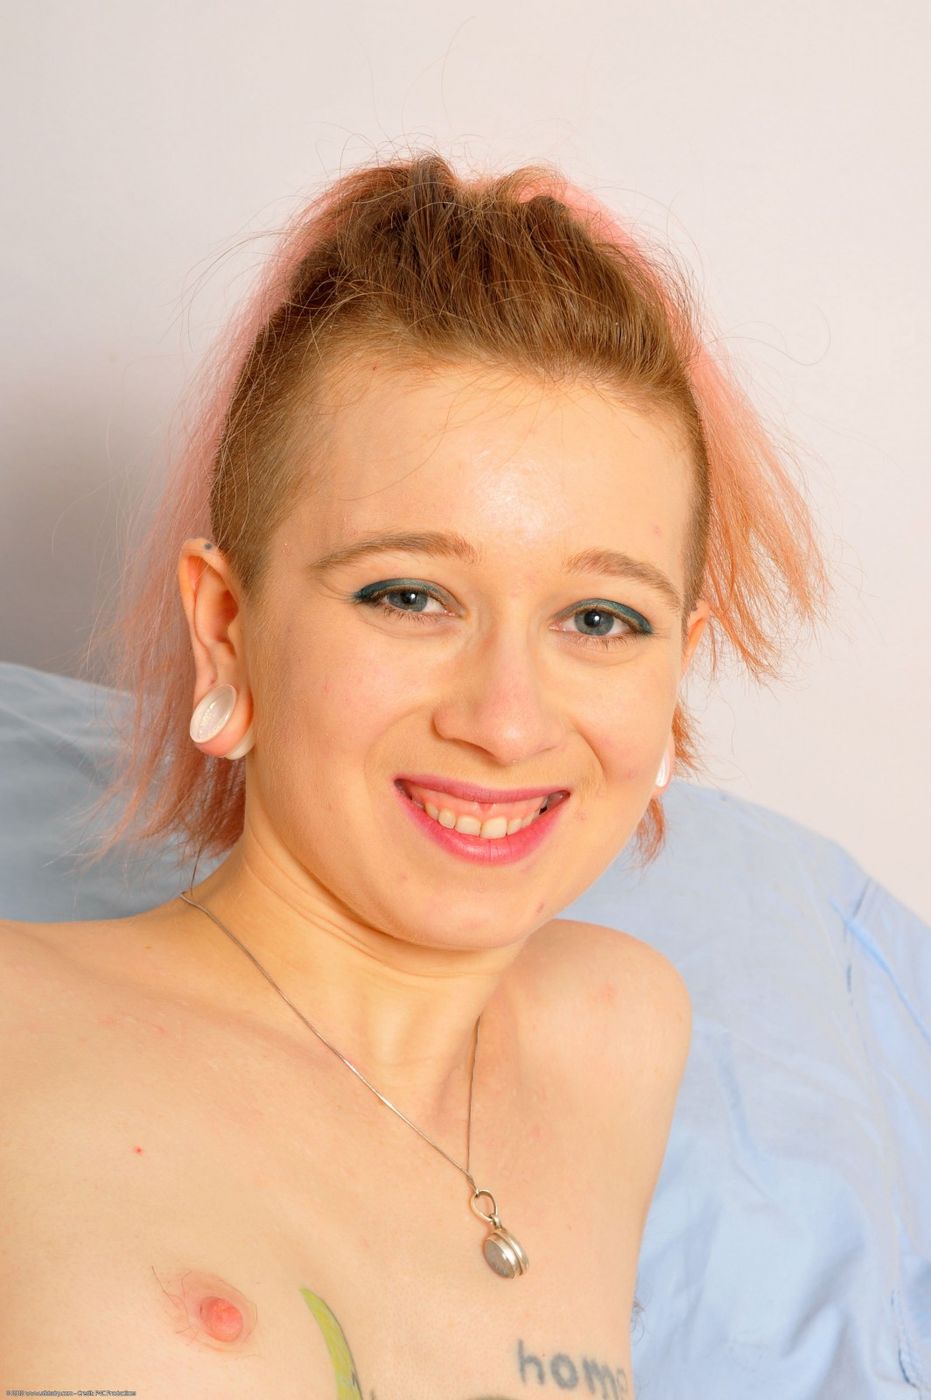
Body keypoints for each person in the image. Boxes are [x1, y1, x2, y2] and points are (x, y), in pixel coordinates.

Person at [0, 150, 827, 1397]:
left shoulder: (617, 1030)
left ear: (674, 668)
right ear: (226, 625)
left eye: (600, 618)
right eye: (408, 595)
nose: (506, 721)